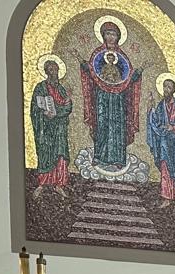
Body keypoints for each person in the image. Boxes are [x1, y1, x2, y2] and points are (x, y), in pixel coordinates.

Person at [79, 19, 142, 170]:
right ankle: (99, 156)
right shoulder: (97, 54)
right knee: (102, 124)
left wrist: (138, 72)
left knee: (118, 126)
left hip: (119, 99)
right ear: (103, 36)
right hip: (101, 97)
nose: (111, 37)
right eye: (108, 34)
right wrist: (81, 62)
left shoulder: (123, 57)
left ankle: (118, 159)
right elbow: (92, 72)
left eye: (113, 34)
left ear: (118, 37)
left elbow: (128, 79)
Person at [146, 76, 175, 210]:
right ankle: (166, 198)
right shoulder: (161, 105)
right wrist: (151, 108)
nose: (166, 89)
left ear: (173, 90)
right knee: (165, 170)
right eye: (164, 86)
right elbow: (156, 122)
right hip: (165, 143)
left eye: (169, 87)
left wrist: (174, 128)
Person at [30, 57, 73, 198]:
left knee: (60, 154)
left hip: (59, 127)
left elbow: (67, 107)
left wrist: (58, 111)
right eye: (51, 69)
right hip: (45, 127)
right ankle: (42, 184)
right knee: (45, 153)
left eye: (56, 69)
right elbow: (35, 107)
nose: (54, 72)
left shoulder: (61, 89)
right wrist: (44, 112)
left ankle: (59, 184)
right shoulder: (40, 88)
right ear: (46, 71)